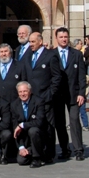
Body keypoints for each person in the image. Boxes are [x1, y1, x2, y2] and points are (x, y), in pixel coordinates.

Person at [23, 32, 61, 163]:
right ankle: (35, 151)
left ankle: (49, 154)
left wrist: (50, 93)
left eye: (33, 42)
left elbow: (57, 77)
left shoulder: (50, 55)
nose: (31, 44)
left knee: (49, 126)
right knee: (34, 127)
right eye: (30, 42)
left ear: (40, 41)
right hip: (31, 99)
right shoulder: (28, 56)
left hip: (46, 98)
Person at [53, 27, 86, 161]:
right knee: (60, 123)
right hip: (58, 95)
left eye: (65, 36)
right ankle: (65, 149)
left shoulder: (76, 54)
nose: (64, 39)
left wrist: (82, 93)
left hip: (74, 94)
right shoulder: (52, 54)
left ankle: (78, 150)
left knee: (74, 120)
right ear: (57, 38)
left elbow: (82, 76)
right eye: (61, 37)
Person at [11, 81, 46, 168]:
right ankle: (30, 151)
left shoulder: (38, 101)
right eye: (20, 92)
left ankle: (37, 158)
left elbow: (39, 122)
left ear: (30, 91)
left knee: (33, 130)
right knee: (21, 161)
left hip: (39, 135)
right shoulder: (14, 105)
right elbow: (15, 128)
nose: (23, 94)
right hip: (25, 139)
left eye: (25, 91)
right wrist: (21, 147)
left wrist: (22, 125)